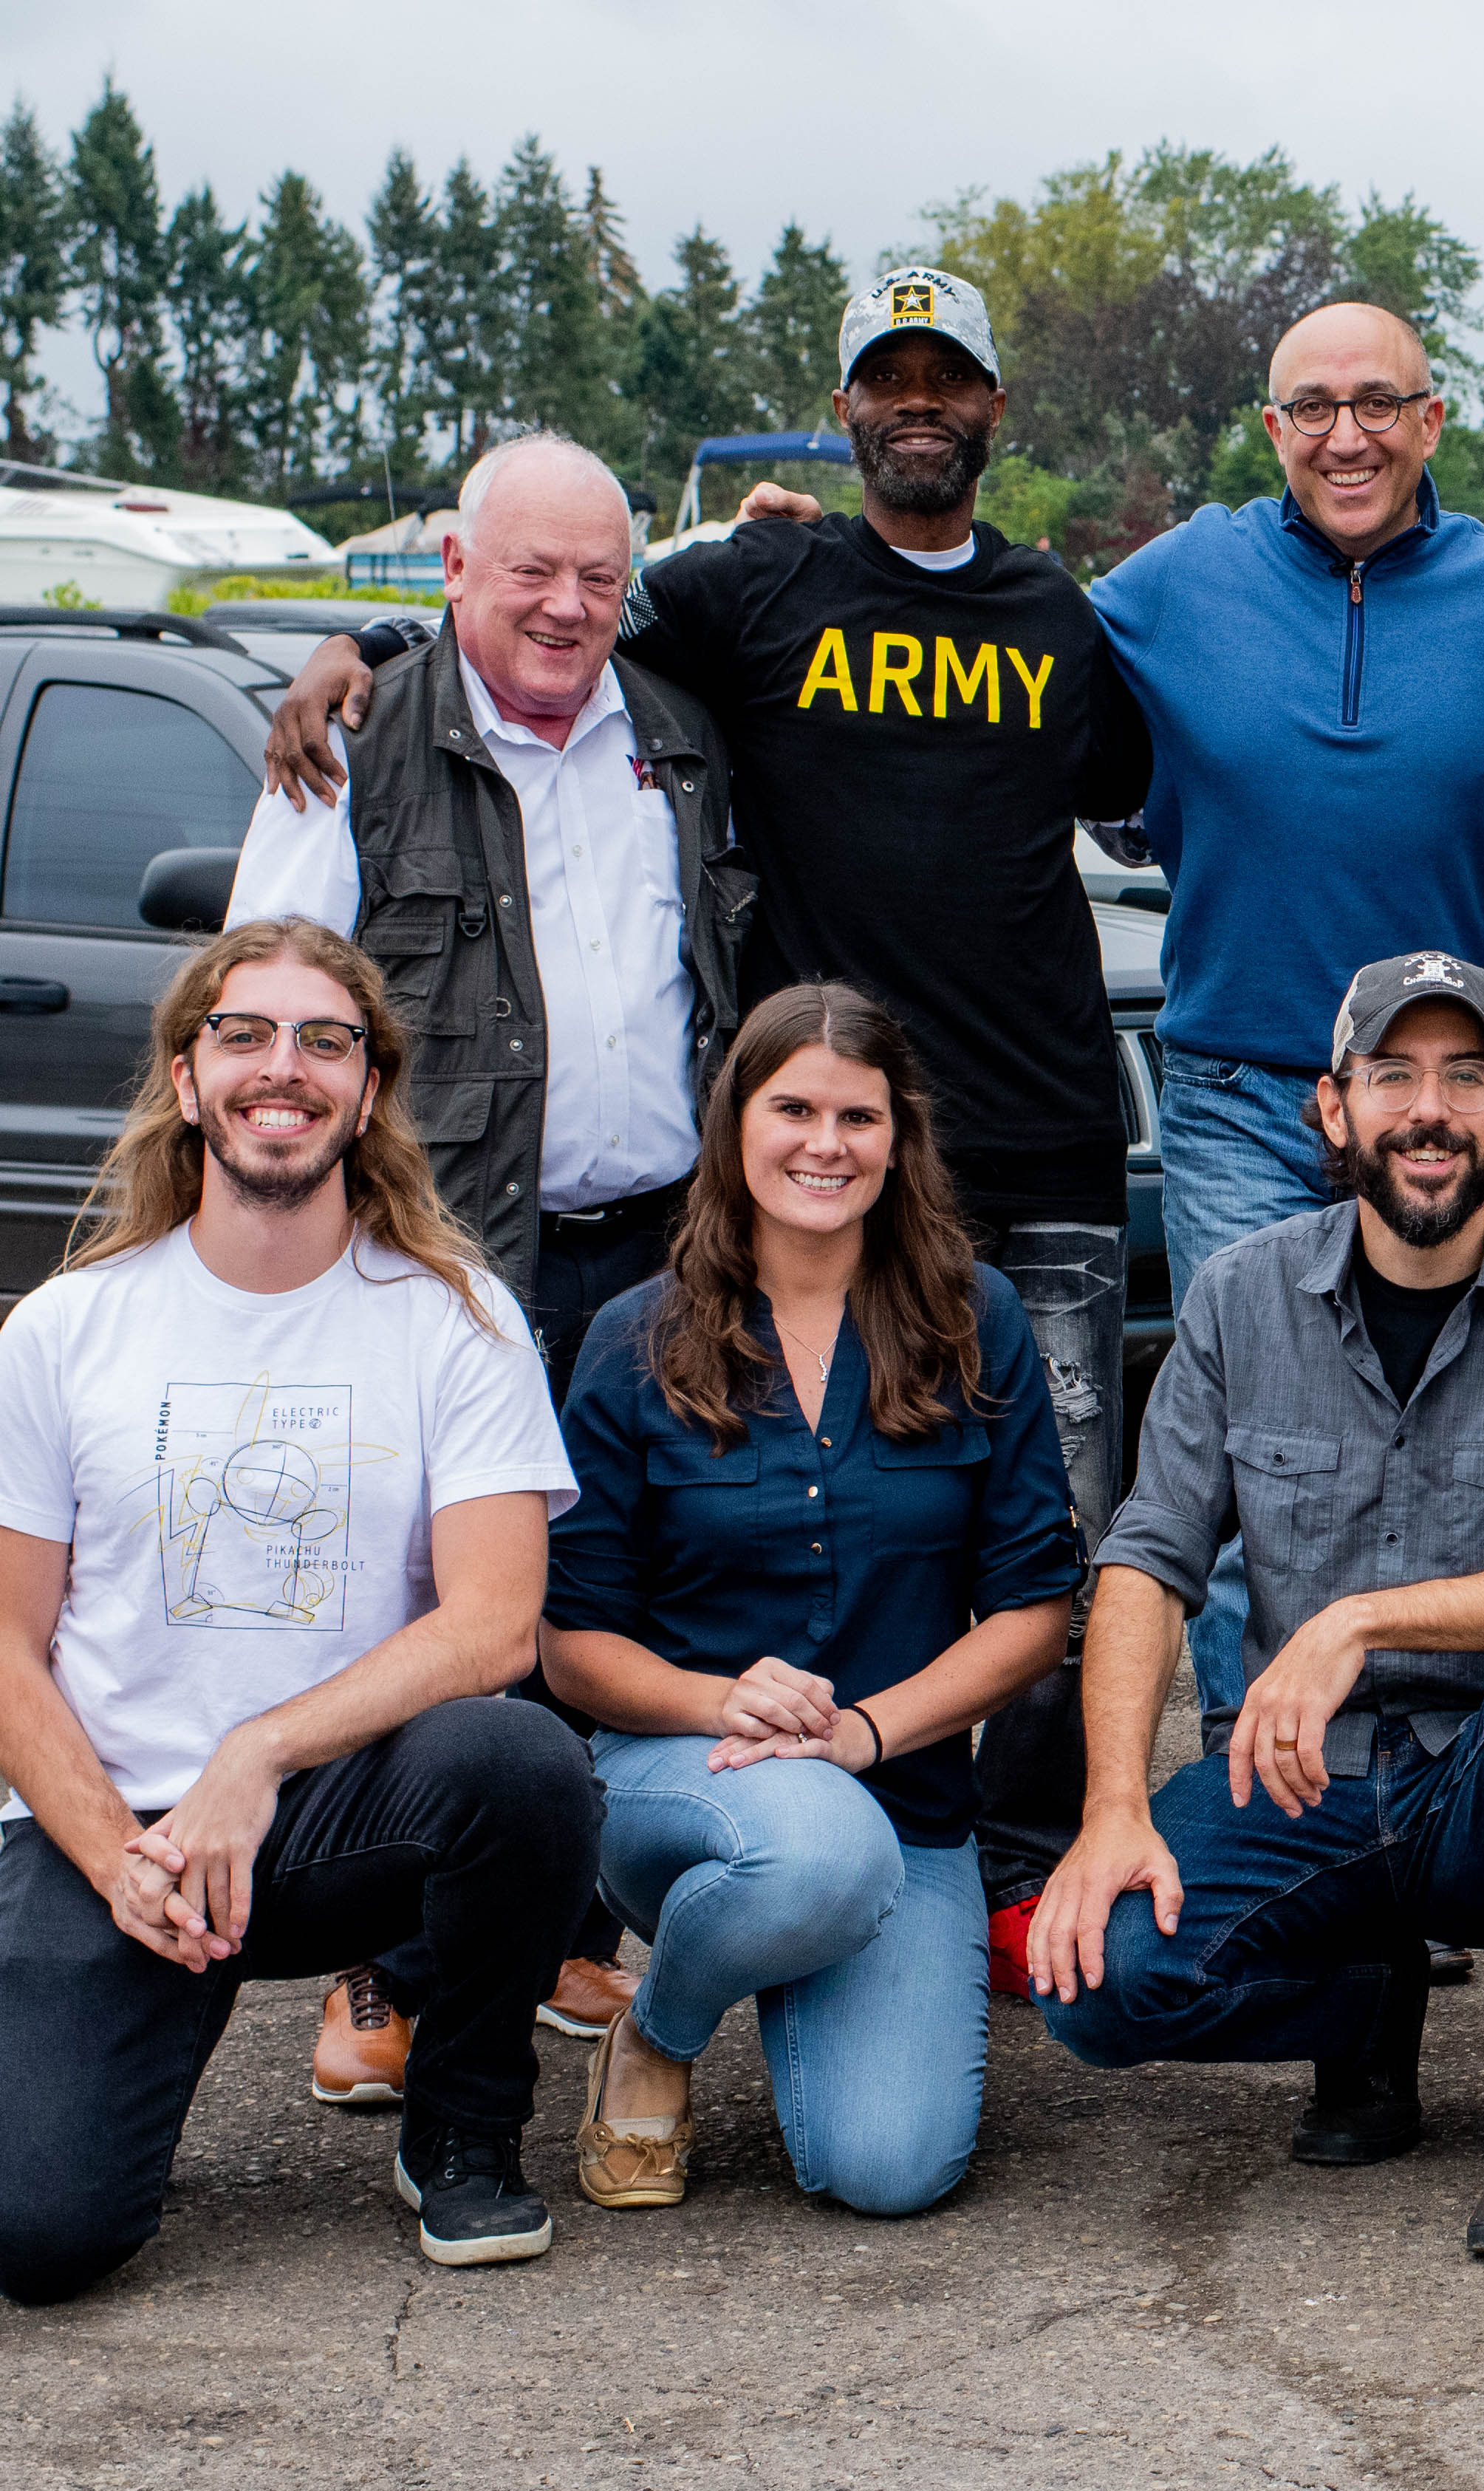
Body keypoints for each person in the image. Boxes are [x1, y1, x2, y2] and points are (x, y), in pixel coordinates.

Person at [261, 267, 1155, 1938]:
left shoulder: (1056, 614)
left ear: (990, 409)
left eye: (945, 376)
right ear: (844, 410)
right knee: (665, 1524)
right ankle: (584, 1877)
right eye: (883, 376)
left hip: (1036, 1142)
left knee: (1058, 1524)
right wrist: (360, 647)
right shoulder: (756, 581)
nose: (915, 402)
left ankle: (1022, 1869)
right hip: (819, 1141)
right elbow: (540, 618)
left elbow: (1137, 788)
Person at [1026, 953, 1484, 2260]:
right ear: (1332, 1110)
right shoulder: (1240, 1295)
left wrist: (1360, 1620)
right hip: (1304, 1785)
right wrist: (1110, 1813)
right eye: (1393, 1076)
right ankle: (1358, 1999)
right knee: (1100, 1985)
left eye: (1464, 1077)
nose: (1427, 1110)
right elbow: (1148, 1560)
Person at [225, 428, 748, 2091]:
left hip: (660, 1248)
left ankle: (566, 1931)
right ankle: (388, 1970)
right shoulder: (357, 743)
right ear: (452, 571)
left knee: (614, 1592)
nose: (567, 605)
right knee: (433, 1607)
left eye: (600, 576)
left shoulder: (676, 735)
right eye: (530, 570)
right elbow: (273, 1000)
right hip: (444, 1263)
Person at [0, 920, 594, 2297]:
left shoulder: (458, 1320)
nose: (287, 1068)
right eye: (246, 1035)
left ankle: (463, 2117)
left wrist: (255, 1755)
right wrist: (118, 1858)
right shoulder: (65, 1331)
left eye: (327, 1040)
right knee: (40, 2241)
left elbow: (498, 1624)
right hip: (118, 1829)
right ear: (188, 1075)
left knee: (522, 1763)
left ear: (370, 1089)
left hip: (334, 1816)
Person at [1084, 299, 1484, 1725]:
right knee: (1266, 1470)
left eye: (1378, 402)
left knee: (1455, 1451)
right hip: (1245, 1094)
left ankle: (1433, 1810)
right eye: (1310, 408)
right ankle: (1273, 1828)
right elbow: (1006, 653)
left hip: (1438, 1101)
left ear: (1434, 421)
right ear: (1271, 431)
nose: (1346, 435)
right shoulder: (1179, 579)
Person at [539, 985, 1080, 2215]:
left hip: (902, 1797)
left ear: (900, 1139)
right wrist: (721, 1700)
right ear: (736, 1124)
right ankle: (664, 2032)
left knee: (886, 2166)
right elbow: (570, 1645)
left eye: (858, 1115)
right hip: (680, 1780)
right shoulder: (634, 1338)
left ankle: (786, 1938)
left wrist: (866, 1733)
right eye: (792, 1109)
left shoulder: (974, 1320)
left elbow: (1034, 1611)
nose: (824, 1145)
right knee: (818, 1846)